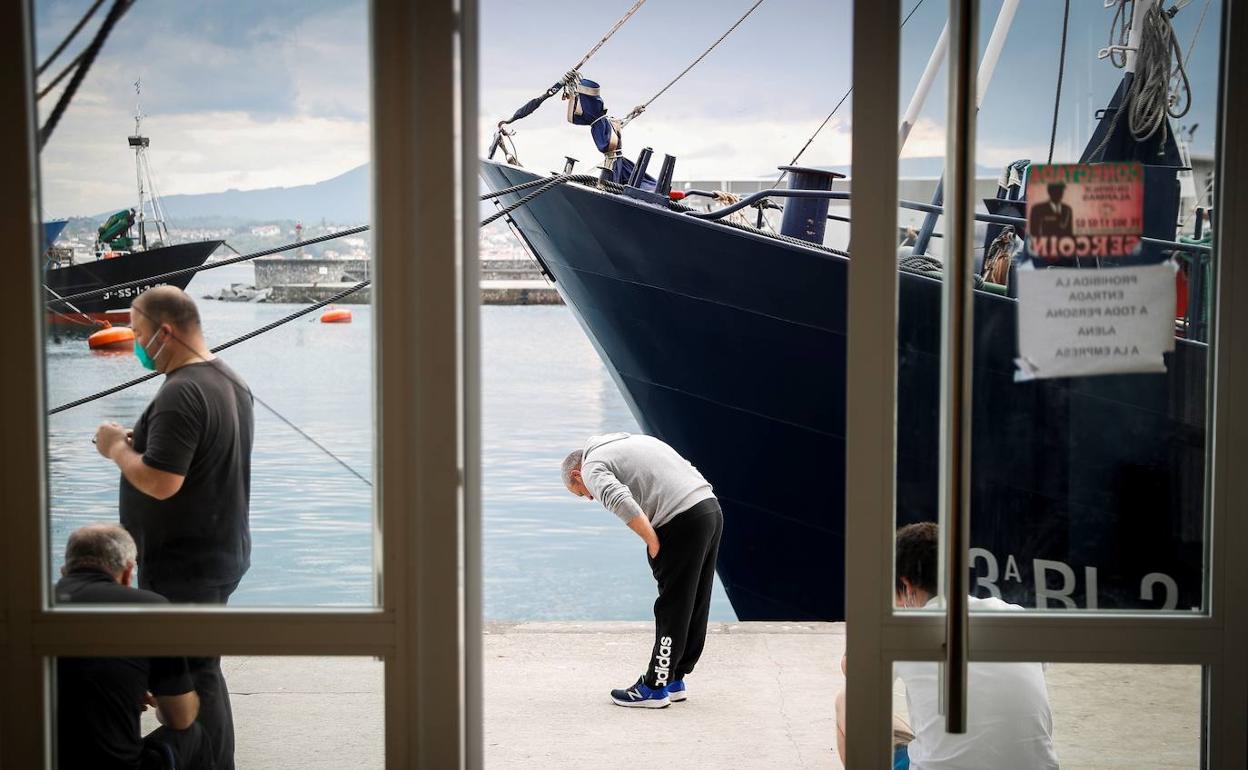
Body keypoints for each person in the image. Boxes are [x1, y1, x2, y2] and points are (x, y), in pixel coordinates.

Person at [94, 286, 254, 770]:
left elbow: (163, 482)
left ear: (164, 332)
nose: (136, 345)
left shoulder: (182, 391)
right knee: (203, 669)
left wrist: (116, 449)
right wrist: (142, 441)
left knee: (192, 677)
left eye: (138, 333)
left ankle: (208, 763)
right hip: (219, 553)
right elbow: (194, 456)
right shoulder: (227, 379)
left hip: (186, 564)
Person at [835, 522, 1059, 769]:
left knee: (848, 702)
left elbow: (855, 674)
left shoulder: (902, 632)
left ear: (906, 585)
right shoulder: (1014, 615)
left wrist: (875, 617)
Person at [561, 432, 723, 708]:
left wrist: (652, 540)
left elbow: (619, 499)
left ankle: (654, 687)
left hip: (681, 520)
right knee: (696, 599)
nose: (589, 498)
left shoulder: (592, 467)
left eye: (581, 493)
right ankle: (675, 678)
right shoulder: (631, 442)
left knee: (672, 605)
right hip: (709, 509)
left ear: (577, 474)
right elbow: (686, 466)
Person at [56, 524, 217, 769]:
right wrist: (159, 701)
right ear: (128, 572)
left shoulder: (37, 605)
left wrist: (126, 685)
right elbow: (180, 717)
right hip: (118, 764)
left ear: (64, 571)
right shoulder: (149, 607)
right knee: (193, 734)